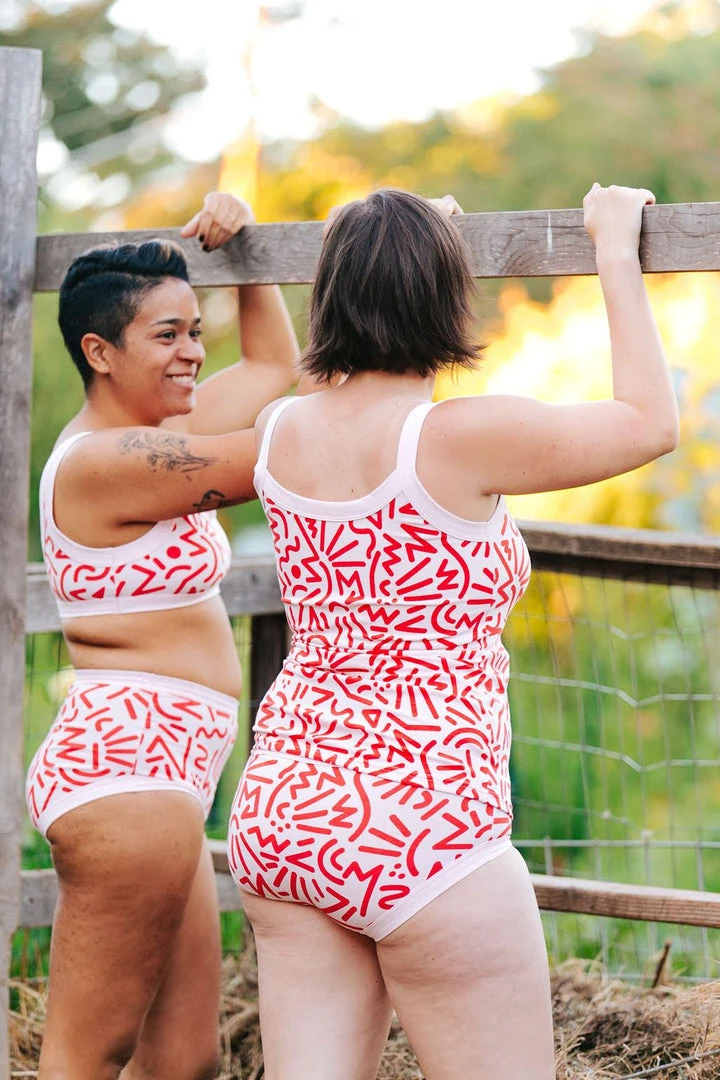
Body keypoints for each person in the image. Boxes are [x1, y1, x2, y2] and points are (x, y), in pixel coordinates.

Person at [227, 183, 679, 1080]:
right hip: (424, 823)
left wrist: (389, 236)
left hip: (287, 809)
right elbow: (650, 424)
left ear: (331, 296)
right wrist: (613, 248)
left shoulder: (282, 430)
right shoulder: (460, 437)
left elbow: (336, 386)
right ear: (444, 294)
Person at [26, 191, 311, 1080]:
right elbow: (274, 453)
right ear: (99, 352)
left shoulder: (160, 434)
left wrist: (248, 253)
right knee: (85, 1057)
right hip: (127, 777)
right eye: (167, 335)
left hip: (170, 779)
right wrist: (391, 313)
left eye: (194, 330)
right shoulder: (103, 462)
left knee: (185, 1062)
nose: (192, 351)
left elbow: (272, 366)